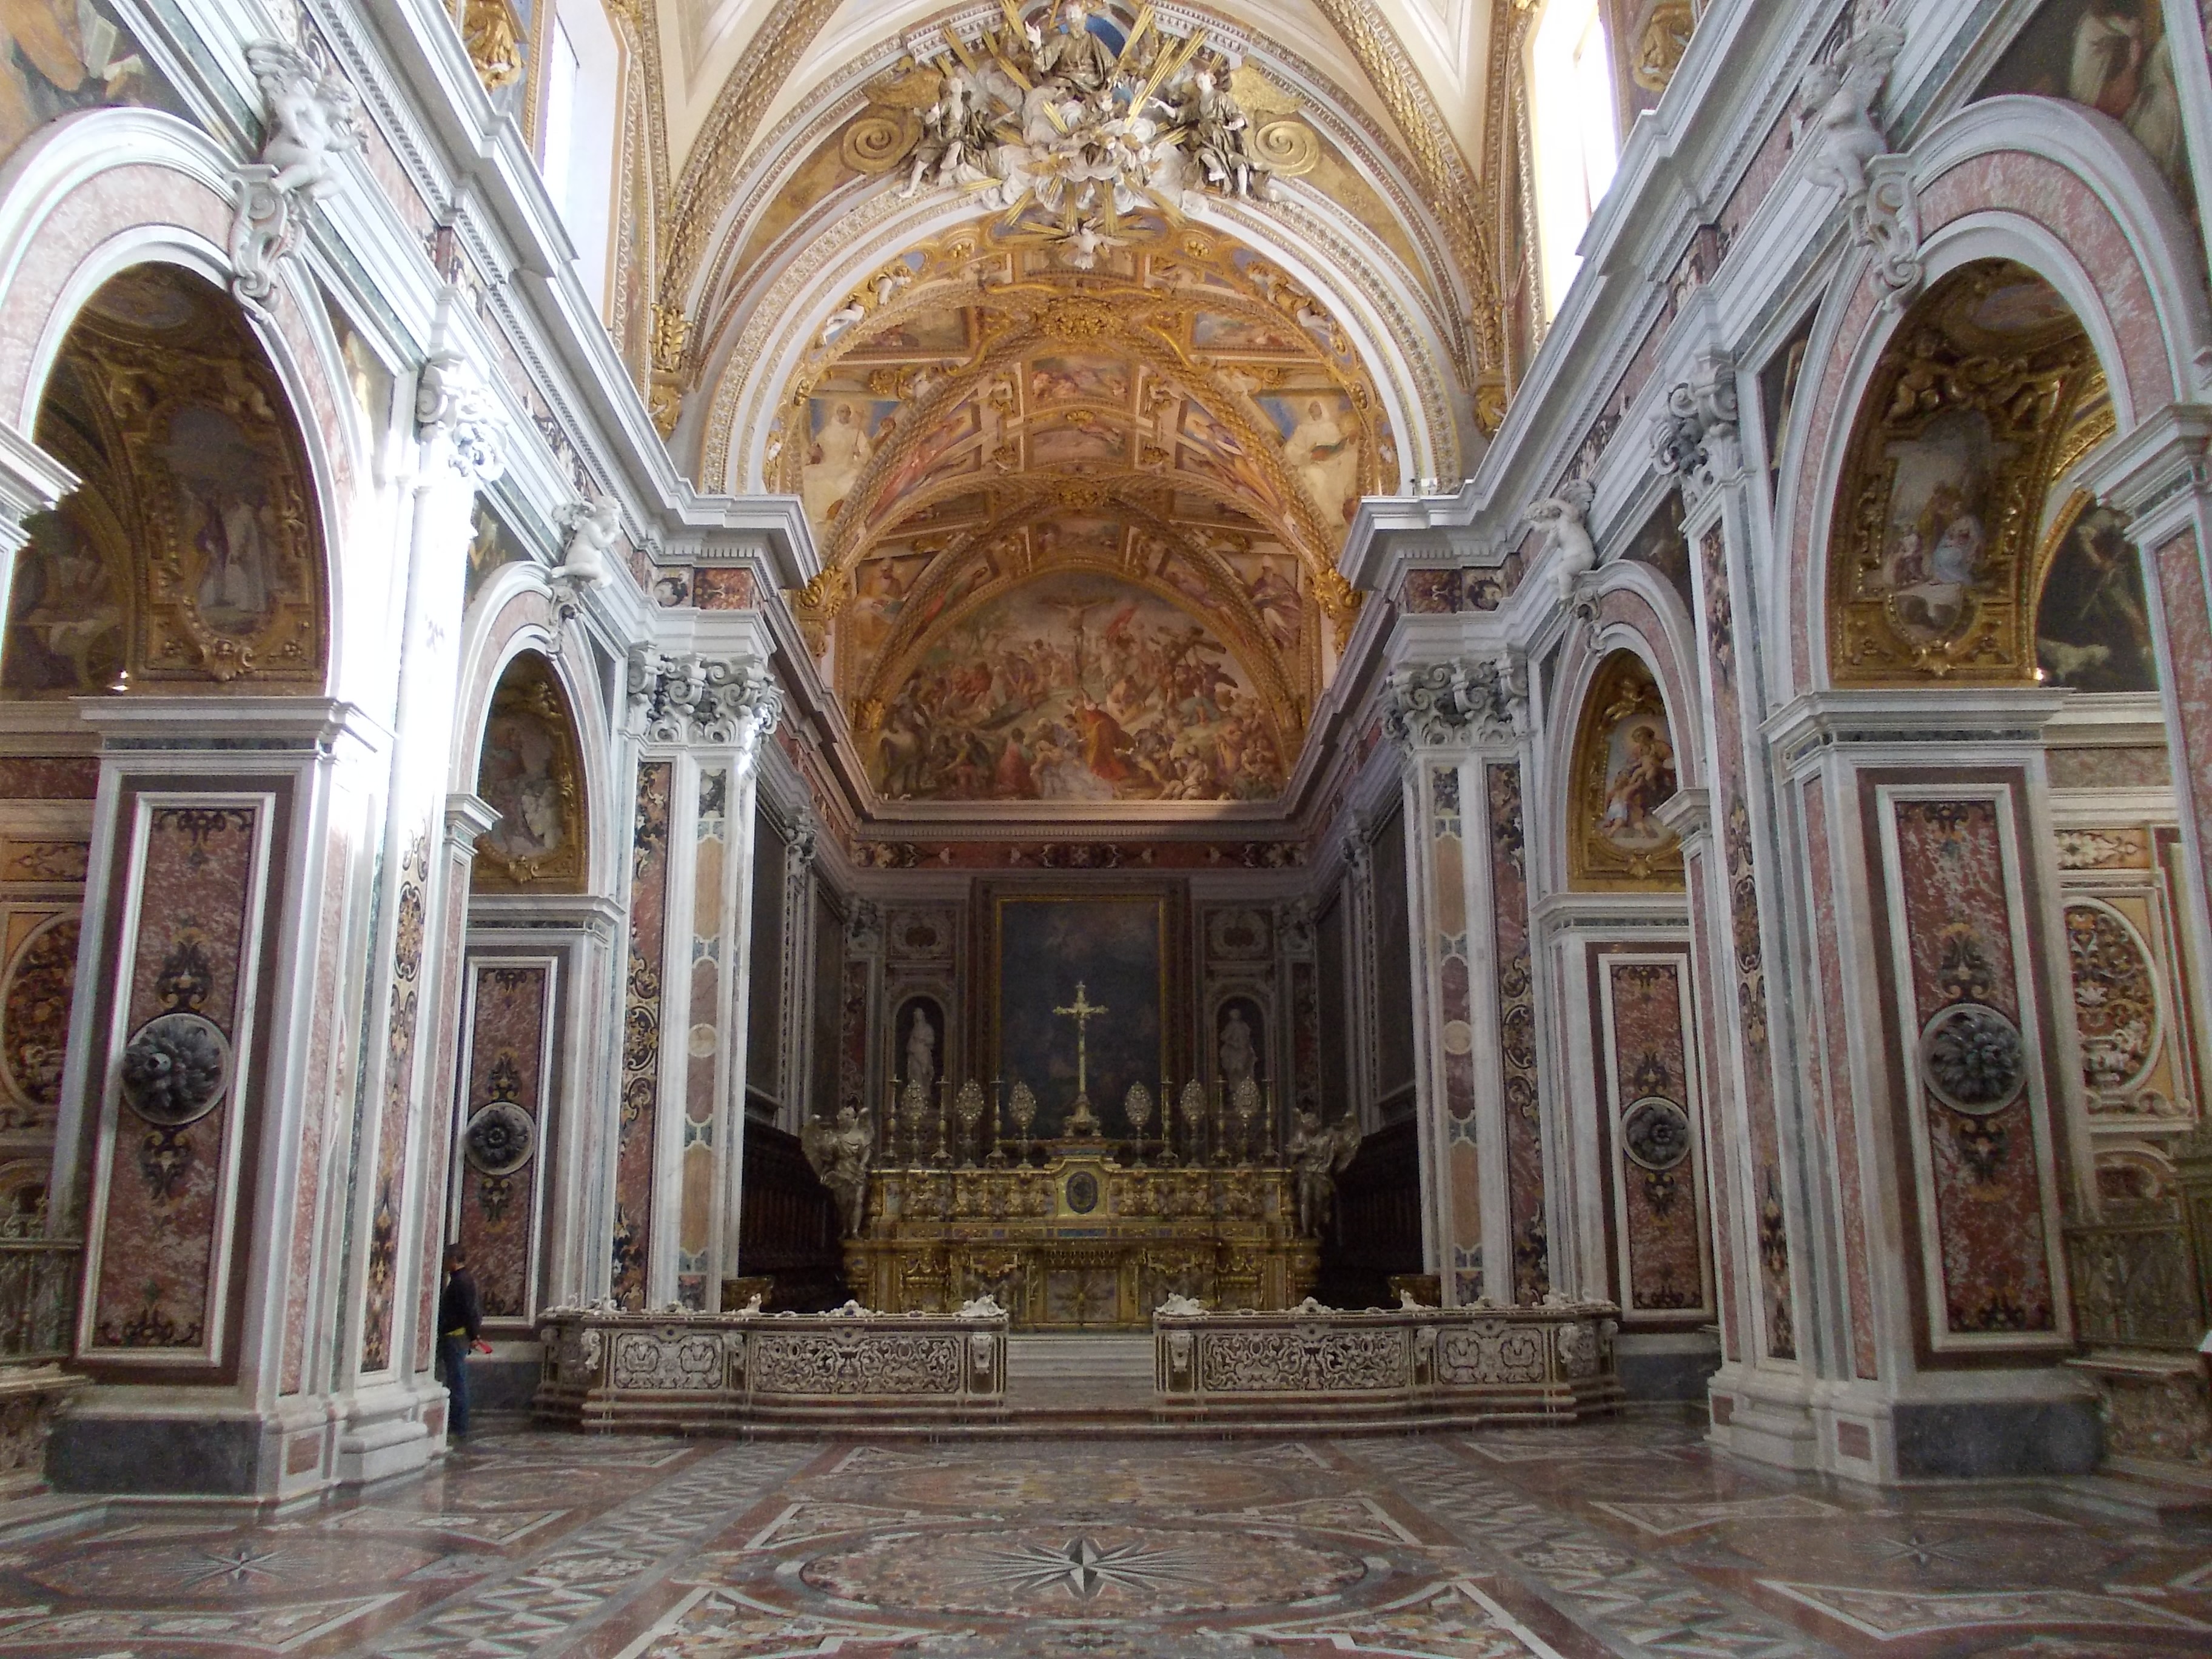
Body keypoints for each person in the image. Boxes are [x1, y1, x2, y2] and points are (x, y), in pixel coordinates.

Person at [437, 1244, 489, 1436]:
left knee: (457, 1381)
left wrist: (474, 1336)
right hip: (457, 1336)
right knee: (456, 1379)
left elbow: (470, 1312)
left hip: (456, 1337)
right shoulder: (463, 1280)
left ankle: (459, 1426)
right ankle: (457, 1422)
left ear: (453, 1260)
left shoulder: (462, 1283)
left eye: (446, 1259)